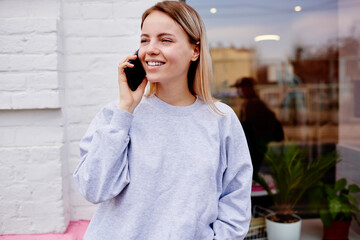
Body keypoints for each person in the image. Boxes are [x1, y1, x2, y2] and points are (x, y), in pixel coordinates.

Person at [73, 1, 253, 239]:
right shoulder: (116, 116)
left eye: (165, 40)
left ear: (195, 50)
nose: (150, 49)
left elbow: (235, 201)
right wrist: (125, 110)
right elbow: (93, 189)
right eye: (145, 39)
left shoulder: (221, 119)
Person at [231, 77, 284, 181]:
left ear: (248, 88)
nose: (238, 92)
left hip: (256, 146)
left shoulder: (253, 104)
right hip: (256, 146)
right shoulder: (250, 103)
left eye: (240, 88)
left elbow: (251, 130)